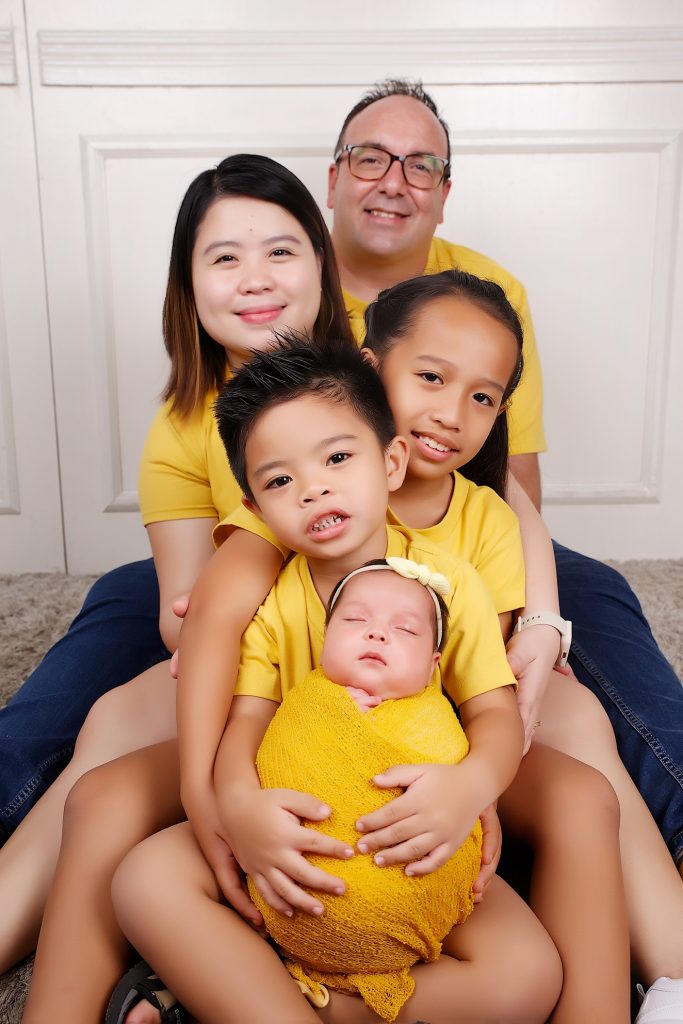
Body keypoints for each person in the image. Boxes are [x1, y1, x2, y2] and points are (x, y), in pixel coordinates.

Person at [111, 333, 562, 1024]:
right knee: (143, 881)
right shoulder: (269, 600)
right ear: (255, 509)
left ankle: (275, 1001)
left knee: (526, 979)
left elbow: (495, 714)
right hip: (296, 832)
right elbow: (246, 724)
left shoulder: (449, 583)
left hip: (408, 838)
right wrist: (237, 805)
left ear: (390, 462)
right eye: (279, 480)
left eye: (337, 458)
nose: (313, 486)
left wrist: (468, 789)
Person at [4, 151, 350, 999]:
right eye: (223, 257)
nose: (255, 278)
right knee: (113, 715)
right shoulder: (184, 421)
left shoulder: (373, 374)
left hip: (374, 640)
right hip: (242, 653)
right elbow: (181, 615)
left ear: (320, 263)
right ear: (188, 285)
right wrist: (226, 610)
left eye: (281, 250)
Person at [325, 77, 683, 871]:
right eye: (370, 157)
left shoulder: (488, 293)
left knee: (592, 595)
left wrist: (538, 617)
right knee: (123, 608)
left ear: (444, 194)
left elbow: (503, 479)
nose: (393, 180)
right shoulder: (271, 283)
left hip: (461, 526)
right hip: (306, 535)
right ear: (333, 177)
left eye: (421, 166)